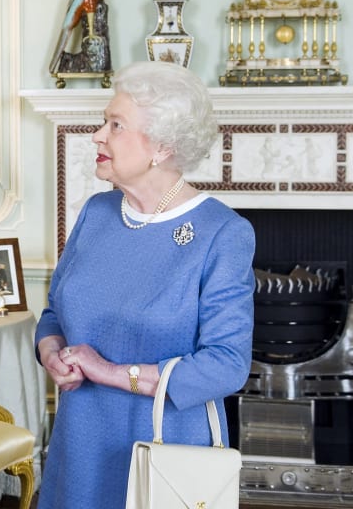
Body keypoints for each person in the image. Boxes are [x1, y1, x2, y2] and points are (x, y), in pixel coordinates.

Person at [34, 61, 255, 508]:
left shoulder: (221, 233)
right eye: (104, 122)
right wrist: (51, 352)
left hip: (163, 448)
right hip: (79, 442)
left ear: (162, 146)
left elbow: (226, 364)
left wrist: (110, 372)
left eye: (115, 125)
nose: (97, 134)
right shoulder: (96, 213)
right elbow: (55, 313)